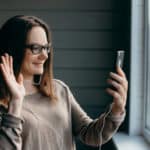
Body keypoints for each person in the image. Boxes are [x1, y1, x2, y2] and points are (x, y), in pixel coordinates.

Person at [0, 15, 128, 150]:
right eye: (36, 48)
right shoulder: (5, 105)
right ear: (13, 49)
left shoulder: (59, 89)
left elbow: (91, 134)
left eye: (46, 47)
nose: (45, 56)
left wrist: (116, 110)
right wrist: (15, 103)